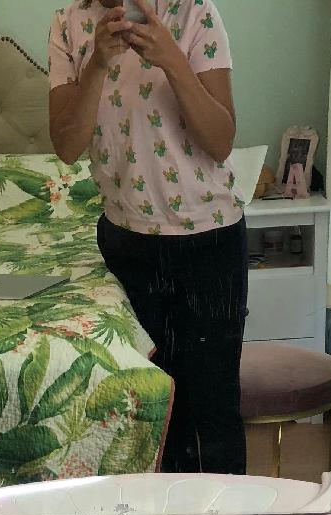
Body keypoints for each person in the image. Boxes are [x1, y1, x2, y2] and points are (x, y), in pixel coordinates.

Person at [49, 0, 248, 474]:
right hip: (127, 247)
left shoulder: (195, 13)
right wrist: (97, 63)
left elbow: (220, 141)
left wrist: (173, 60)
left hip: (209, 243)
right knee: (146, 417)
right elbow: (67, 146)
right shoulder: (69, 23)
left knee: (212, 413)